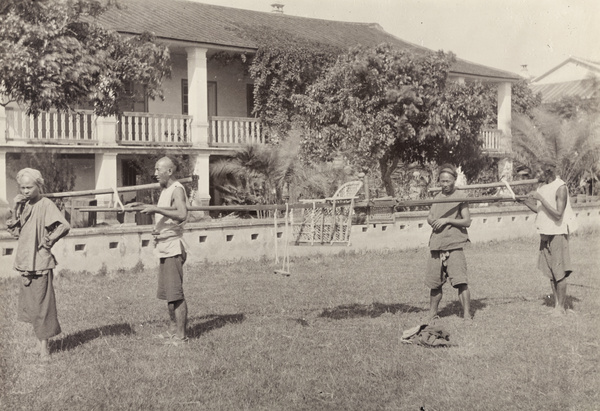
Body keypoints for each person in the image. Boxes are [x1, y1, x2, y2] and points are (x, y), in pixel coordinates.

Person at [6, 168, 70, 362]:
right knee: (32, 304)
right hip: (26, 262)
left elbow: (64, 226)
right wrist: (15, 208)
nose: (25, 191)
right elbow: (16, 232)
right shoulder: (25, 205)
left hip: (39, 261)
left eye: (29, 187)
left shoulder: (45, 204)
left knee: (42, 304)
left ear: (38, 186)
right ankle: (38, 344)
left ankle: (44, 348)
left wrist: (49, 241)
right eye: (22, 187)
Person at [141, 157, 189, 344]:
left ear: (169, 171)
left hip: (173, 248)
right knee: (169, 294)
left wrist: (156, 209)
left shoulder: (177, 189)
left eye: (157, 169)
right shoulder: (166, 190)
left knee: (176, 294)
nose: (154, 173)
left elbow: (182, 214)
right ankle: (173, 330)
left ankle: (181, 336)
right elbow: (164, 214)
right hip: (163, 247)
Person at [519, 164, 577, 316]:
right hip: (545, 233)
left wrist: (541, 198)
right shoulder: (542, 188)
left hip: (557, 233)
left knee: (560, 272)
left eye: (538, 171)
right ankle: (557, 305)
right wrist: (525, 202)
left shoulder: (561, 187)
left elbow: (558, 214)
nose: (536, 175)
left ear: (548, 172)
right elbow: (541, 210)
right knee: (551, 272)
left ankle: (561, 307)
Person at [425, 164, 473, 323]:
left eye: (448, 181)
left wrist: (447, 220)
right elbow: (430, 216)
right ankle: (432, 314)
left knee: (461, 281)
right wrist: (432, 221)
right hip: (437, 243)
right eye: (442, 181)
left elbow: (467, 221)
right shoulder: (437, 197)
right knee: (435, 283)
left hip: (454, 244)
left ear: (455, 180)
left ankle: (467, 316)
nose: (445, 184)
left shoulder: (461, 196)